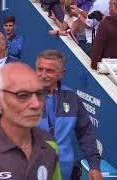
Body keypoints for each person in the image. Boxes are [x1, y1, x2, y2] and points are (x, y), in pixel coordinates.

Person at [35, 50, 102, 180]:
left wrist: (94, 165)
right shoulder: (23, 97)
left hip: (64, 171)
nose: (43, 75)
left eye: (49, 71)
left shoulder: (72, 97)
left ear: (61, 74)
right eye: (40, 69)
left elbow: (85, 133)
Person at [90, 0, 117, 69]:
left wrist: (94, 65)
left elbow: (96, 55)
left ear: (114, 5)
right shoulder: (107, 22)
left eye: (109, 4)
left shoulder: (106, 24)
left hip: (108, 71)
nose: (108, 7)